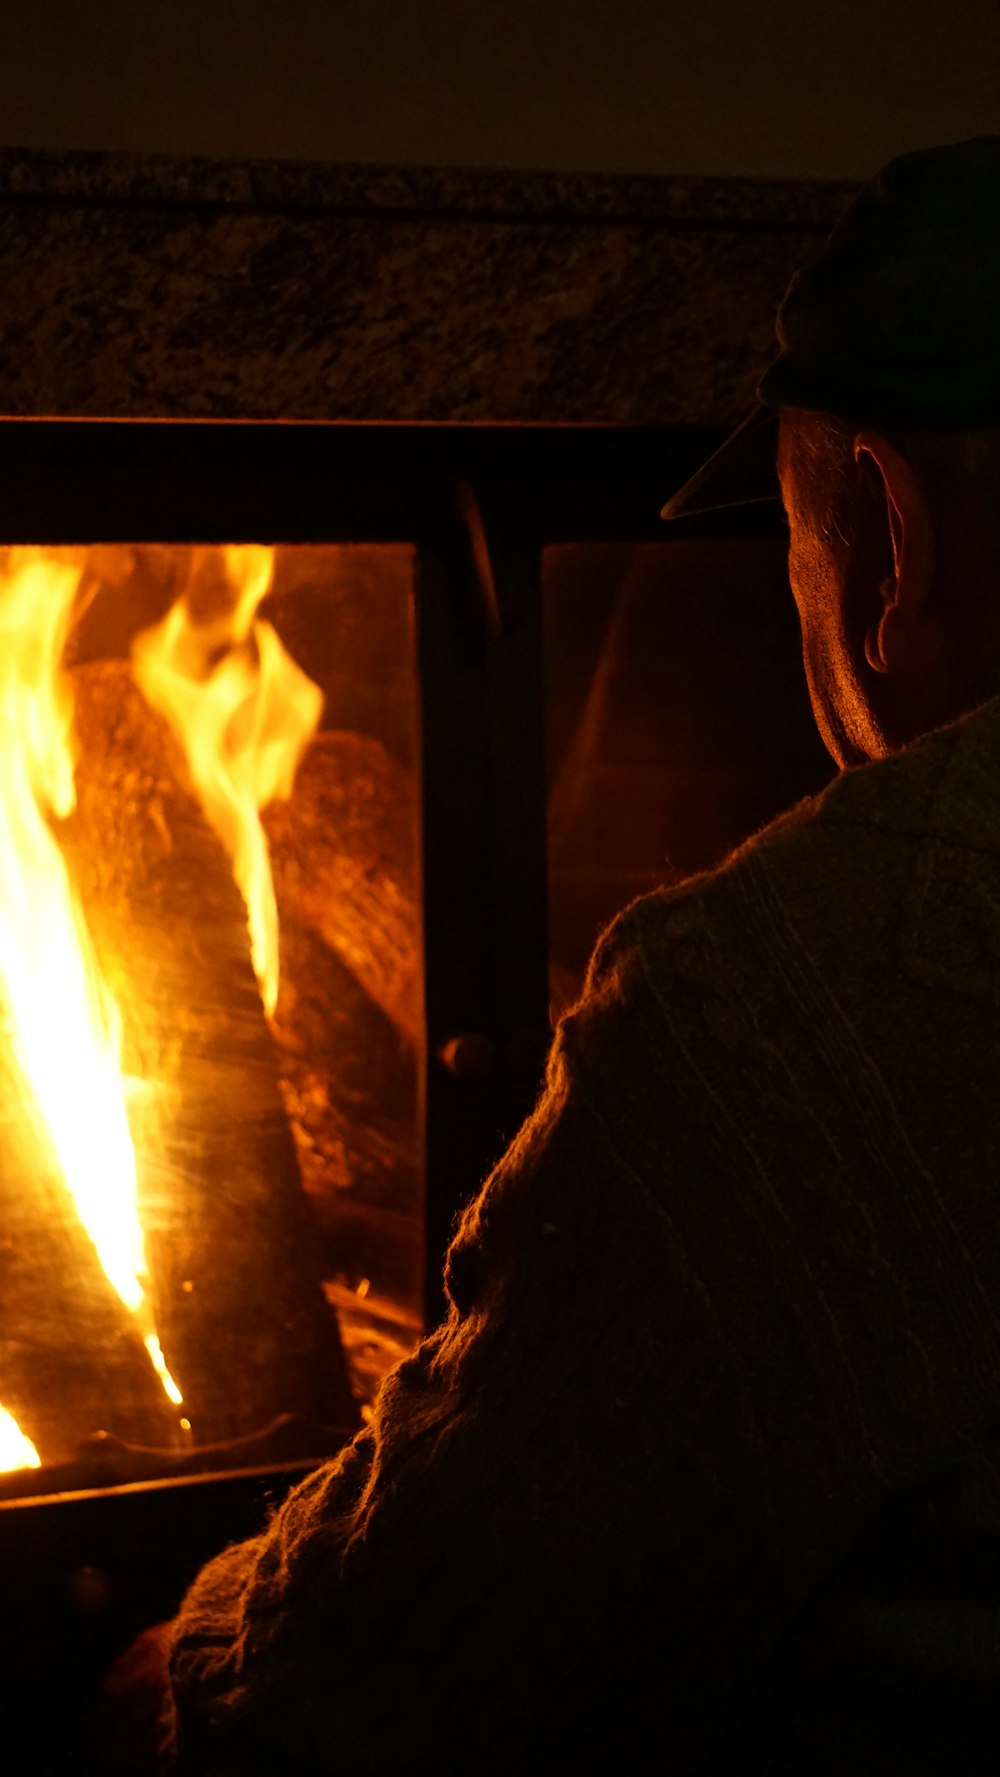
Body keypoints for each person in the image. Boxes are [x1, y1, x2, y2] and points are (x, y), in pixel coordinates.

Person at [154, 136, 1000, 1773]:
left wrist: (137, 1653)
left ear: (886, 534)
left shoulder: (822, 985)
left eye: (798, 531)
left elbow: (349, 1707)